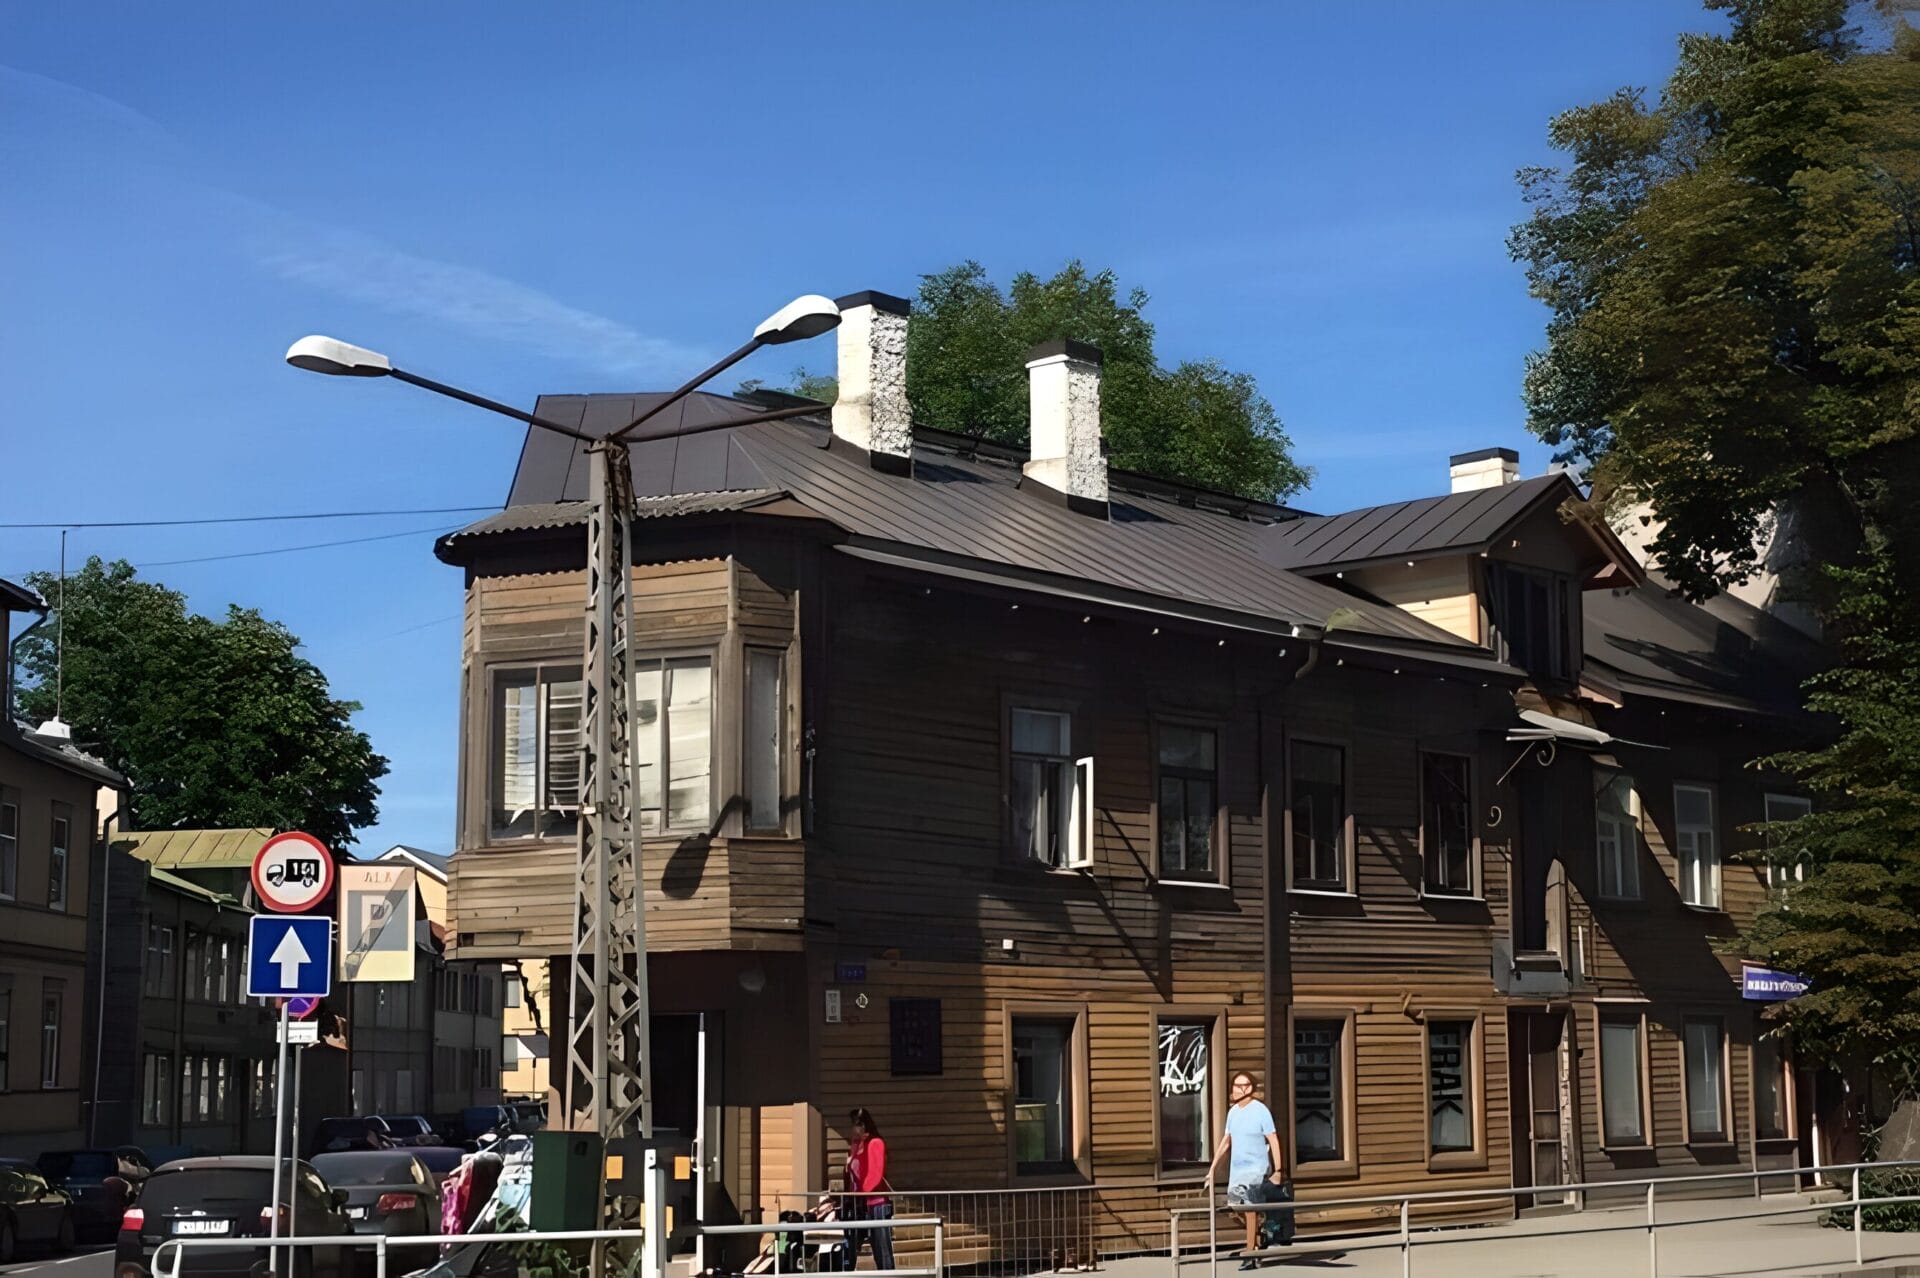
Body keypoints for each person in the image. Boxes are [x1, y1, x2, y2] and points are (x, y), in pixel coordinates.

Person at [1204, 1071, 1287, 1270]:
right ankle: (1258, 1239)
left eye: (1245, 1085)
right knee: (1236, 1208)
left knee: (1250, 1209)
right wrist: (1213, 1168)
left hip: (1256, 1169)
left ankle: (1251, 1252)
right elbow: (1226, 1141)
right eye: (1237, 1085)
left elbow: (1273, 1139)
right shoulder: (1233, 1112)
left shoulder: (1260, 1111)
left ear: (1252, 1088)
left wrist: (1278, 1169)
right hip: (1237, 1170)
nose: (1240, 1089)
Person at [845, 1108, 894, 1272]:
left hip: (876, 1202)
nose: (853, 1129)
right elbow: (851, 1172)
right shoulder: (858, 1146)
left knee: (882, 1249)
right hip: (860, 1204)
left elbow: (875, 1173)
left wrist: (862, 1193)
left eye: (856, 1125)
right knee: (851, 1246)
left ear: (864, 1125)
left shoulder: (875, 1143)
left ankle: (889, 1275)